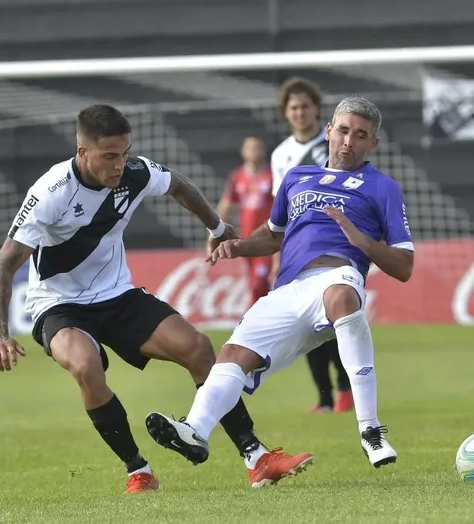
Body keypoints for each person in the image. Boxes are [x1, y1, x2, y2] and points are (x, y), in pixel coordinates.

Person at [0, 104, 312, 494]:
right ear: (82, 151)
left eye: (124, 153)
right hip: (58, 304)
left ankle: (256, 458)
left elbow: (178, 184)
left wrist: (218, 225)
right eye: (109, 156)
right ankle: (137, 470)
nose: (119, 165)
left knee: (197, 347)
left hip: (117, 295)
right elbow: (4, 264)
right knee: (87, 366)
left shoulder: (134, 173)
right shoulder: (51, 192)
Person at [144, 96, 414, 469]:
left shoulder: (382, 187)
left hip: (338, 276)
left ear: (373, 144)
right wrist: (238, 246)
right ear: (329, 132)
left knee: (341, 297)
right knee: (233, 354)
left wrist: (362, 241)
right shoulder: (296, 178)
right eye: (345, 131)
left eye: (362, 135)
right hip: (288, 289)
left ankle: (370, 430)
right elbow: (274, 235)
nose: (350, 141)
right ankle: (195, 430)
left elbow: (404, 265)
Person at [270, 76, 353, 414]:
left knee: (338, 318)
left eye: (306, 106)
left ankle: (346, 388)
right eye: (294, 108)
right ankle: (324, 396)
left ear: (318, 111)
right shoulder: (281, 155)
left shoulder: (335, 143)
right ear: (286, 114)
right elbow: (282, 207)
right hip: (298, 246)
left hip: (336, 242)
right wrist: (279, 252)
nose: (300, 112)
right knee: (307, 321)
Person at [216, 136, 274, 305]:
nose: (253, 151)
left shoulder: (271, 176)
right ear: (242, 152)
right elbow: (226, 204)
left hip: (266, 239)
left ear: (263, 151)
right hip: (246, 240)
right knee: (253, 283)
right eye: (249, 147)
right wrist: (215, 231)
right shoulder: (237, 177)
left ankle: (254, 320)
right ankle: (262, 319)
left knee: (260, 282)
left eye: (257, 147)